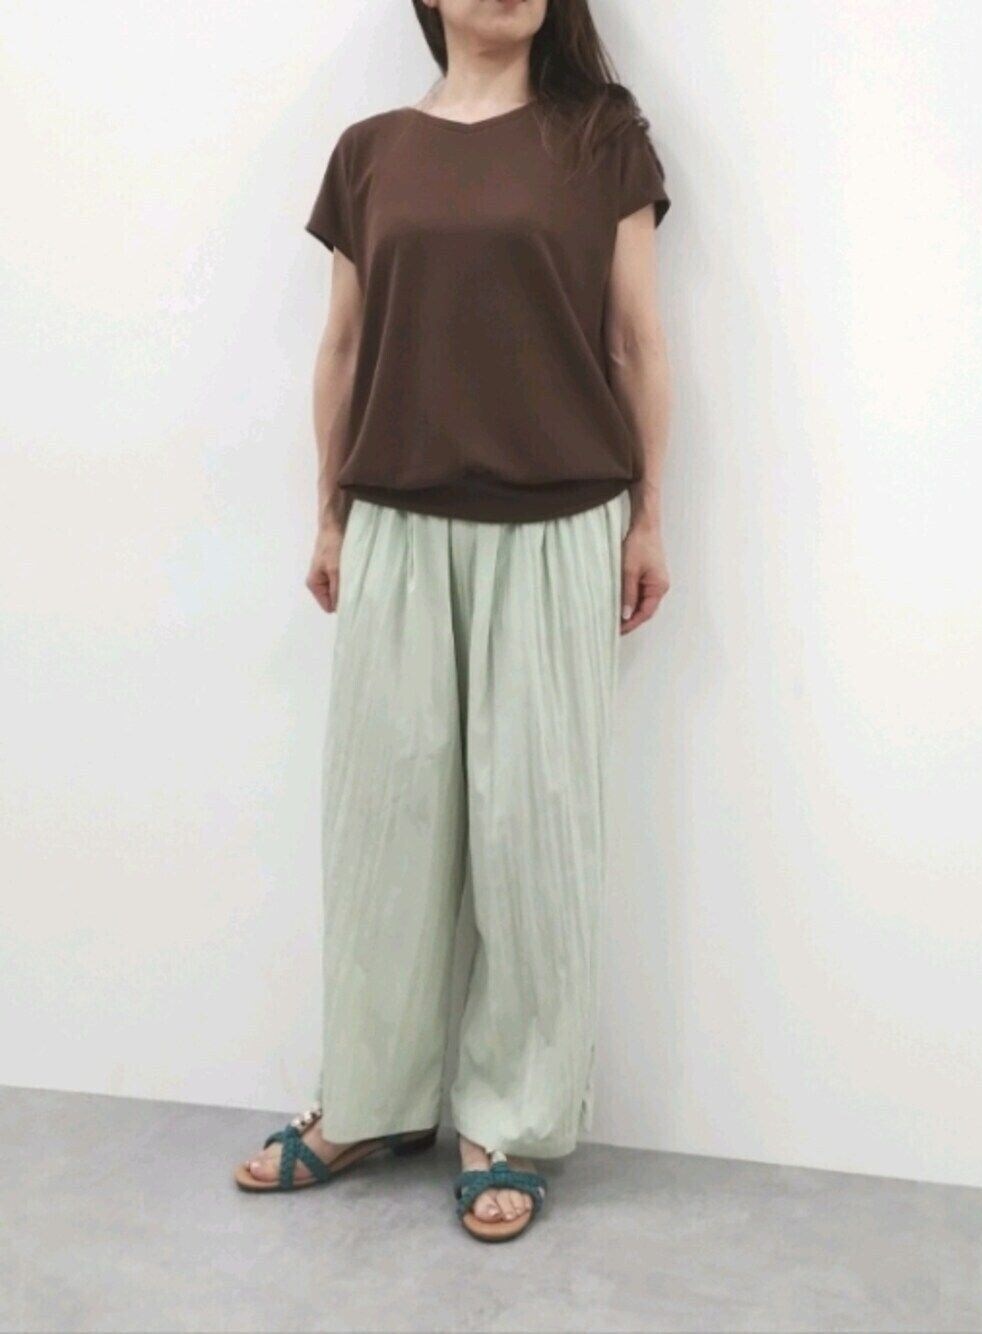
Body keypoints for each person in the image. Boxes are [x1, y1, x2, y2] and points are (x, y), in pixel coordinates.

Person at [233, 0, 671, 1243]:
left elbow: (636, 344)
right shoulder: (370, 152)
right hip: (396, 517)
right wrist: (328, 514)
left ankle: (508, 1120)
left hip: (559, 519)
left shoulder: (601, 139)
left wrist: (650, 516)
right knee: (385, 826)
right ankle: (370, 1102)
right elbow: (341, 350)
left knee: (534, 832)